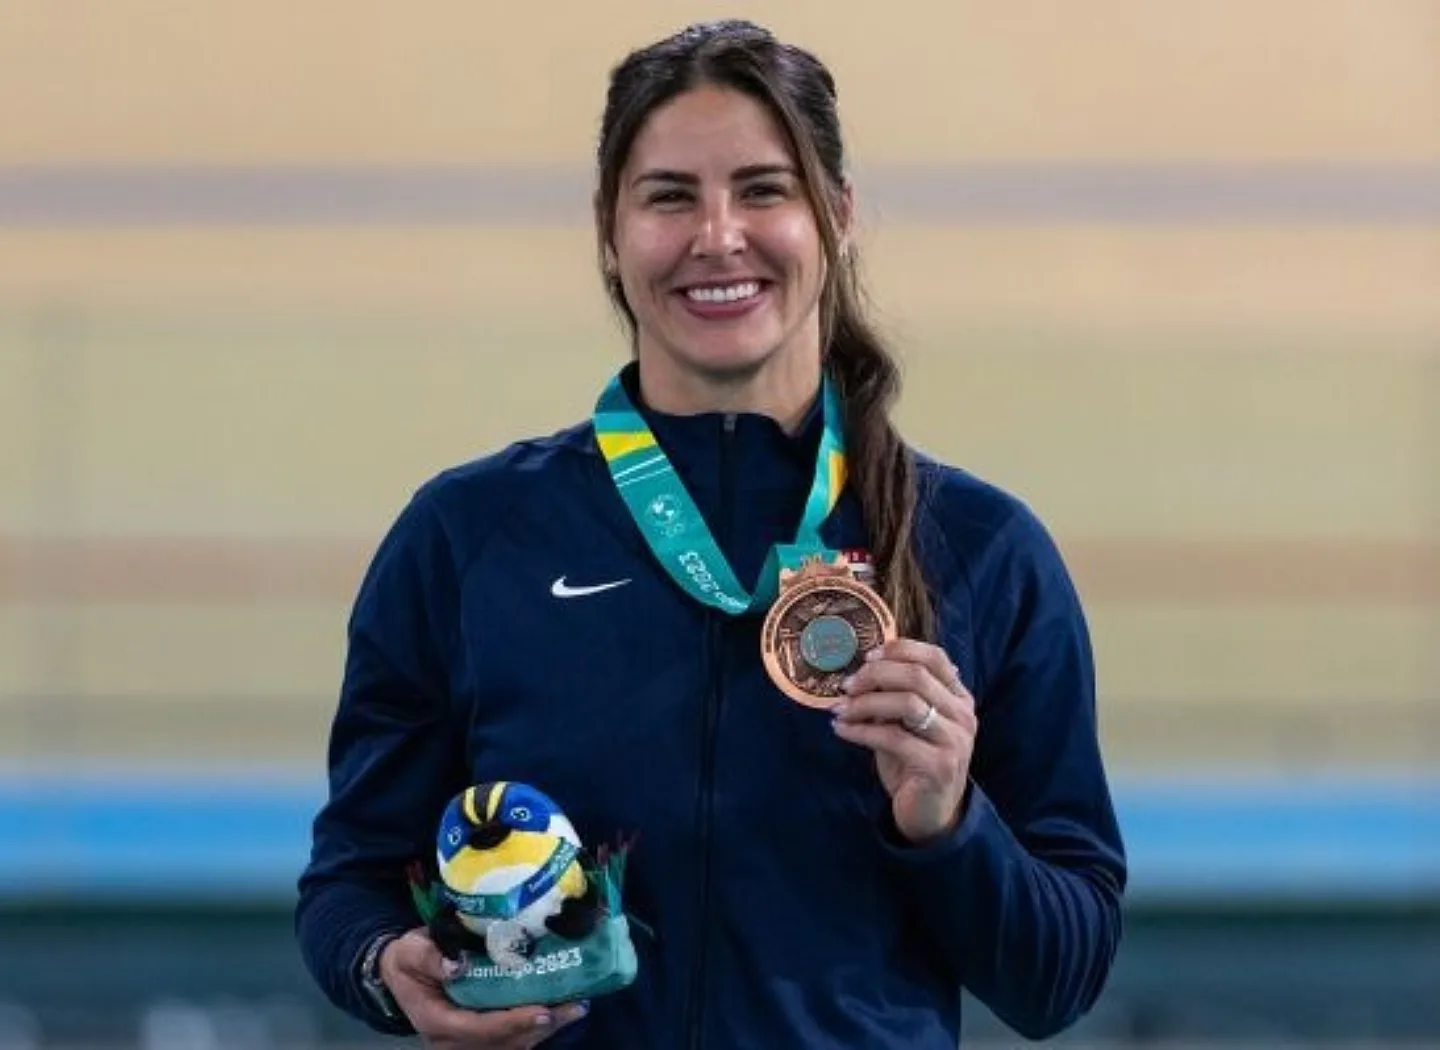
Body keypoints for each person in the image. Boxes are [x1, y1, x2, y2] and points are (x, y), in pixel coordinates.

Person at [295, 18, 1127, 1049]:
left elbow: (1062, 976)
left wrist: (950, 822)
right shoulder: (469, 538)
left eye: (764, 190)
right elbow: (350, 884)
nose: (718, 236)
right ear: (610, 227)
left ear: (839, 214)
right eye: (670, 196)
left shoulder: (982, 550)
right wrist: (386, 968)